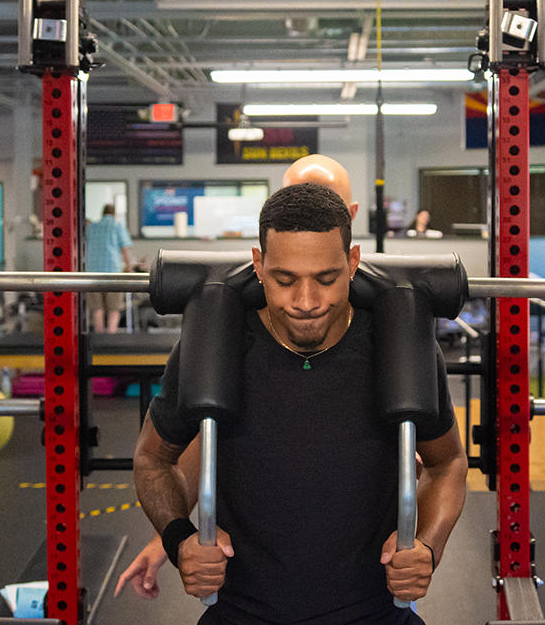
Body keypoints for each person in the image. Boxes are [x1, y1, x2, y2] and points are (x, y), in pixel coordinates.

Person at [132, 184, 467, 625]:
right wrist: (177, 539)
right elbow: (154, 458)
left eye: (326, 279)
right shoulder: (214, 348)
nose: (307, 302)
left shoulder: (397, 346)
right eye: (285, 280)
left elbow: (447, 463)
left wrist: (428, 545)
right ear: (258, 264)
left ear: (353, 262)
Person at [117, 155, 365, 599]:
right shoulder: (232, 316)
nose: (306, 299)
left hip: (362, 589)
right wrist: (172, 537)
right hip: (252, 599)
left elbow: (438, 460)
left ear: (350, 219)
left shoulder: (388, 315)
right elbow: (206, 431)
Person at [86, 203, 134, 333]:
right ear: (113, 214)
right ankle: (111, 335)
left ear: (102, 213)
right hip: (113, 272)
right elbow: (125, 248)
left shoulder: (91, 227)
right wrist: (129, 266)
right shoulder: (117, 226)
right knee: (114, 308)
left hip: (92, 273)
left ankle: (100, 335)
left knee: (97, 308)